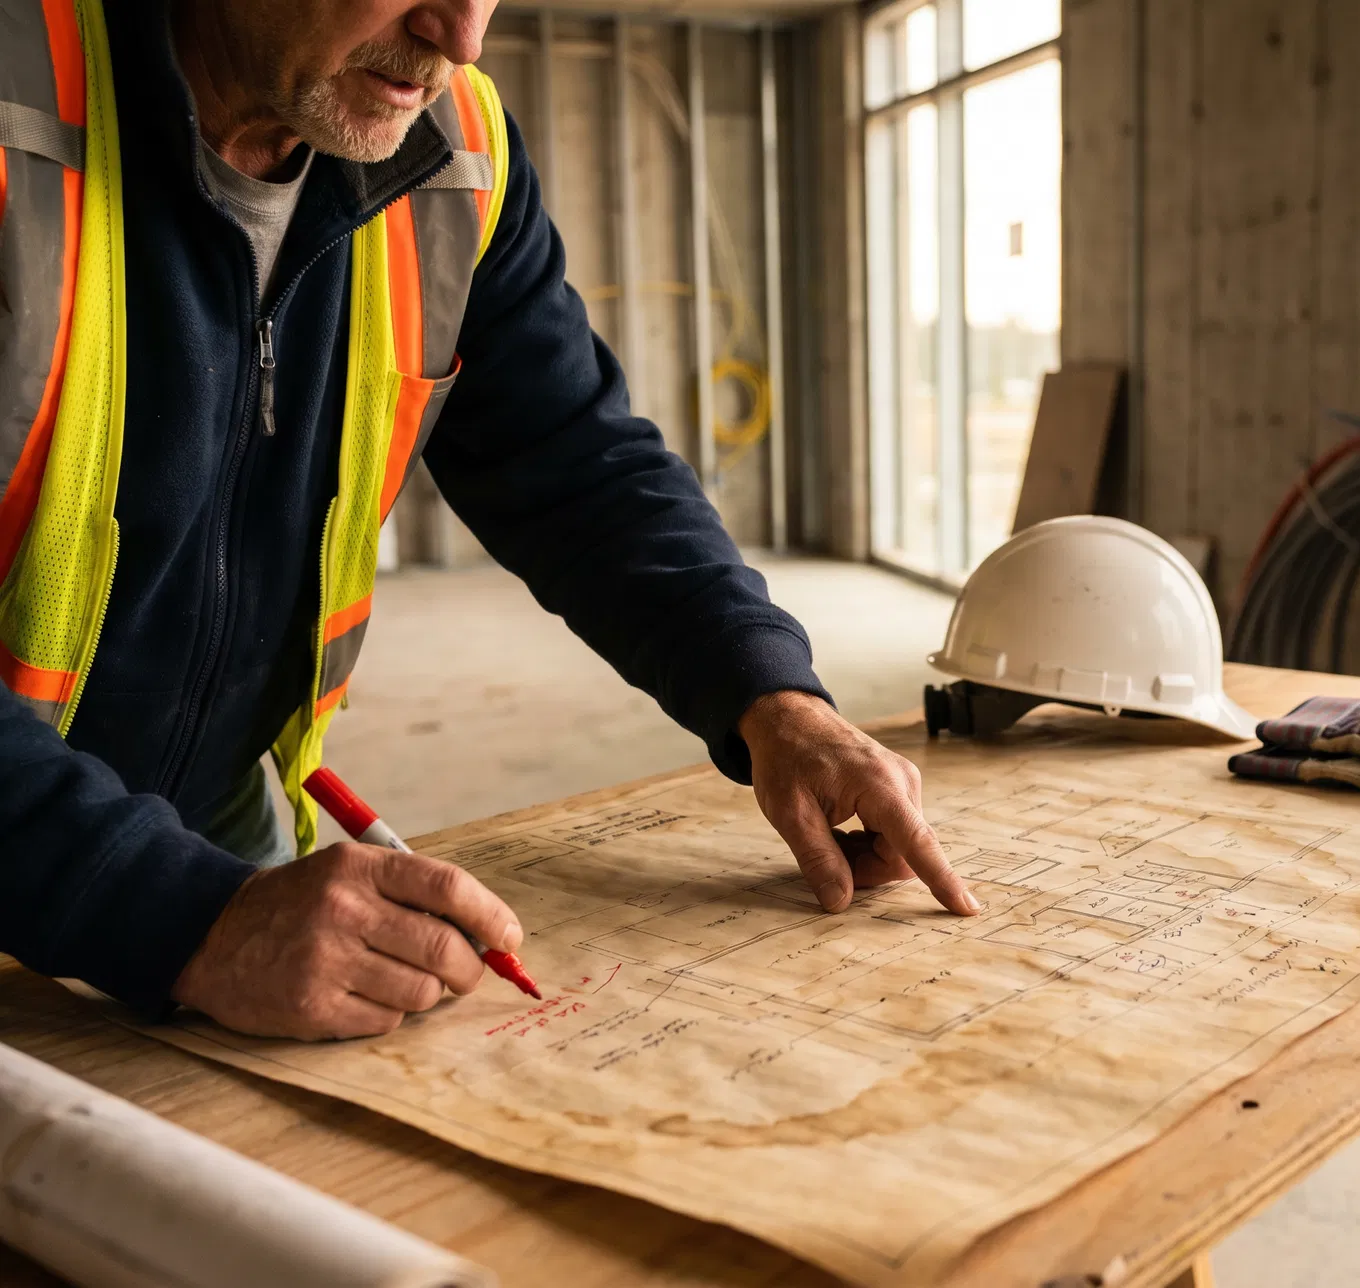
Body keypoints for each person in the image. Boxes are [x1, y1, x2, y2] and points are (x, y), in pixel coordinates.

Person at [0, 0, 976, 1042]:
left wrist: (772, 696)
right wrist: (175, 913)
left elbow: (571, 456)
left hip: (217, 823)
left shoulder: (454, 153)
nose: (460, 37)